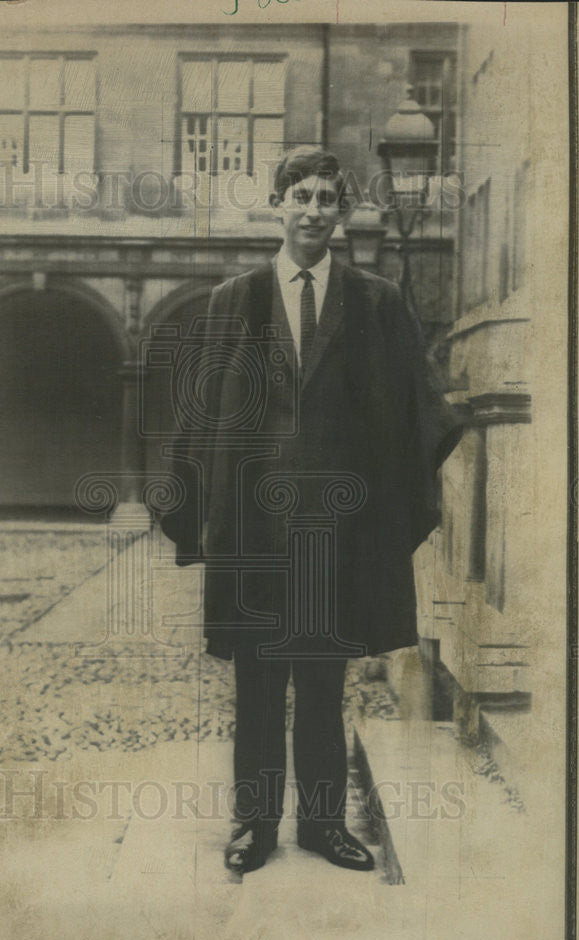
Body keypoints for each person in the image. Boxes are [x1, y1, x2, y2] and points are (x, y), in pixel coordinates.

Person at [161, 146, 462, 876]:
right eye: (300, 195)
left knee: (325, 682)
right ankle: (254, 825)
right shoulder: (231, 300)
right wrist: (194, 512)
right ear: (278, 203)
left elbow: (420, 410)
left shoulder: (376, 301)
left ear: (343, 210)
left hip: (338, 529)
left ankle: (323, 825)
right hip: (255, 531)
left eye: (328, 197)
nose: (313, 210)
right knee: (259, 681)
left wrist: (389, 509)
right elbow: (197, 419)